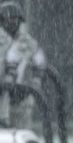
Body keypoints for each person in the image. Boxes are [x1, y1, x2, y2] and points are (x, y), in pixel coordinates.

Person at [0, 1, 45, 130]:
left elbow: (40, 62)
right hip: (1, 94)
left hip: (20, 99)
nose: (11, 22)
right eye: (7, 18)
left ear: (20, 20)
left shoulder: (28, 42)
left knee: (20, 135)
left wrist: (36, 81)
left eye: (14, 18)